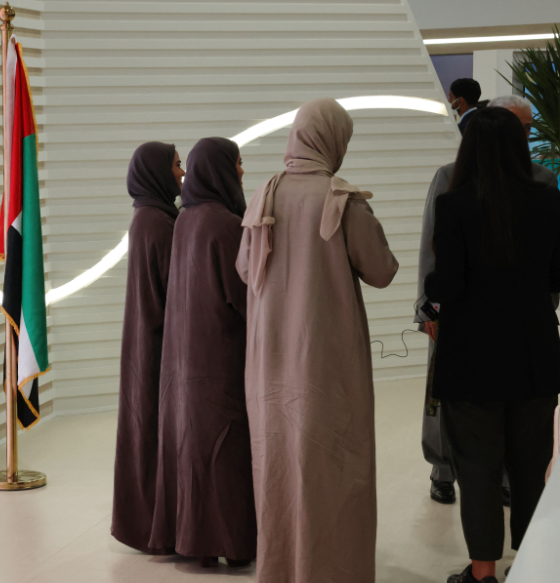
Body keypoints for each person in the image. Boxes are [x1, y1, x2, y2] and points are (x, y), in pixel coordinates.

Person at [237, 98, 399, 583]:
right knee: (335, 467)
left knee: (277, 466)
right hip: (328, 364)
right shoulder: (341, 199)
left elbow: (246, 269)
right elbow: (382, 271)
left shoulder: (264, 194)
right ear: (333, 140)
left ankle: (282, 570)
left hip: (270, 362)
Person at [424, 107, 560, 583]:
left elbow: (447, 286)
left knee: (477, 470)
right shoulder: (548, 202)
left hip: (471, 360)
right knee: (531, 466)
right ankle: (531, 565)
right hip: (535, 356)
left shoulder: (455, 205)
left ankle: (483, 573)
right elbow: (556, 277)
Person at [149, 137, 257, 567]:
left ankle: (194, 540)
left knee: (194, 452)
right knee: (225, 454)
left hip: (185, 361)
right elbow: (244, 297)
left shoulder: (185, 220)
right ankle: (231, 544)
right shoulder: (227, 226)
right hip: (219, 358)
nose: (243, 172)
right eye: (238, 163)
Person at [111, 142, 184, 554]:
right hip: (156, 344)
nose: (182, 173)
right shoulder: (158, 223)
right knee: (155, 433)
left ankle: (149, 524)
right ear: (156, 171)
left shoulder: (149, 217)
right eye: (176, 164)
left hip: (146, 340)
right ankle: (156, 527)